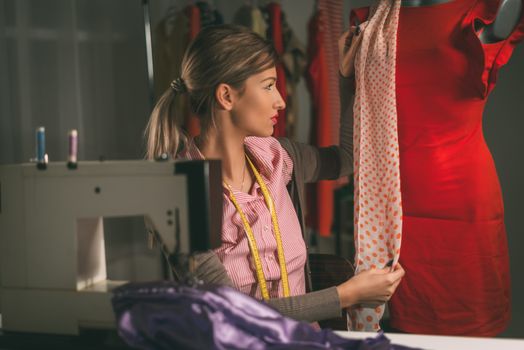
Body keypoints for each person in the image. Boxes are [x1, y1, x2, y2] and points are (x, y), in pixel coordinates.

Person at [144, 24, 405, 323]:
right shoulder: (182, 196)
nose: (280, 100)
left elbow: (347, 159)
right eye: (268, 86)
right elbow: (236, 313)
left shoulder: (276, 158)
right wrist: (347, 295)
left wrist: (346, 79)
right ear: (226, 96)